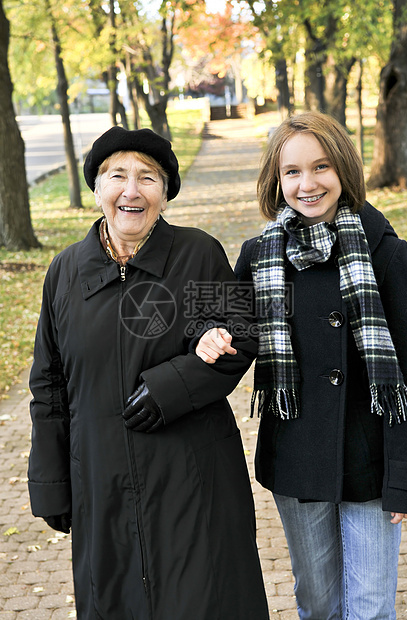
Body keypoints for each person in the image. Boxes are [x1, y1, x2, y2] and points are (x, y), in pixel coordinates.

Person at [27, 126, 270, 620]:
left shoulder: (199, 253)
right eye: (117, 176)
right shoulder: (65, 271)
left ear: (165, 191)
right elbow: (48, 383)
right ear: (98, 187)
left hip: (193, 482)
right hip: (100, 484)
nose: (131, 191)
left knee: (203, 601)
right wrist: (51, 481)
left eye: (148, 177)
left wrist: (170, 387)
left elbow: (239, 336)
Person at [196, 111, 407, 619]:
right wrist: (205, 334)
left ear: (344, 171)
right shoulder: (259, 255)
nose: (308, 183)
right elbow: (223, 319)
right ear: (276, 179)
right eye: (292, 171)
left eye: (321, 167)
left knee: (370, 607)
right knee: (317, 605)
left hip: (372, 460)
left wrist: (405, 474)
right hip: (298, 457)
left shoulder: (385, 252)